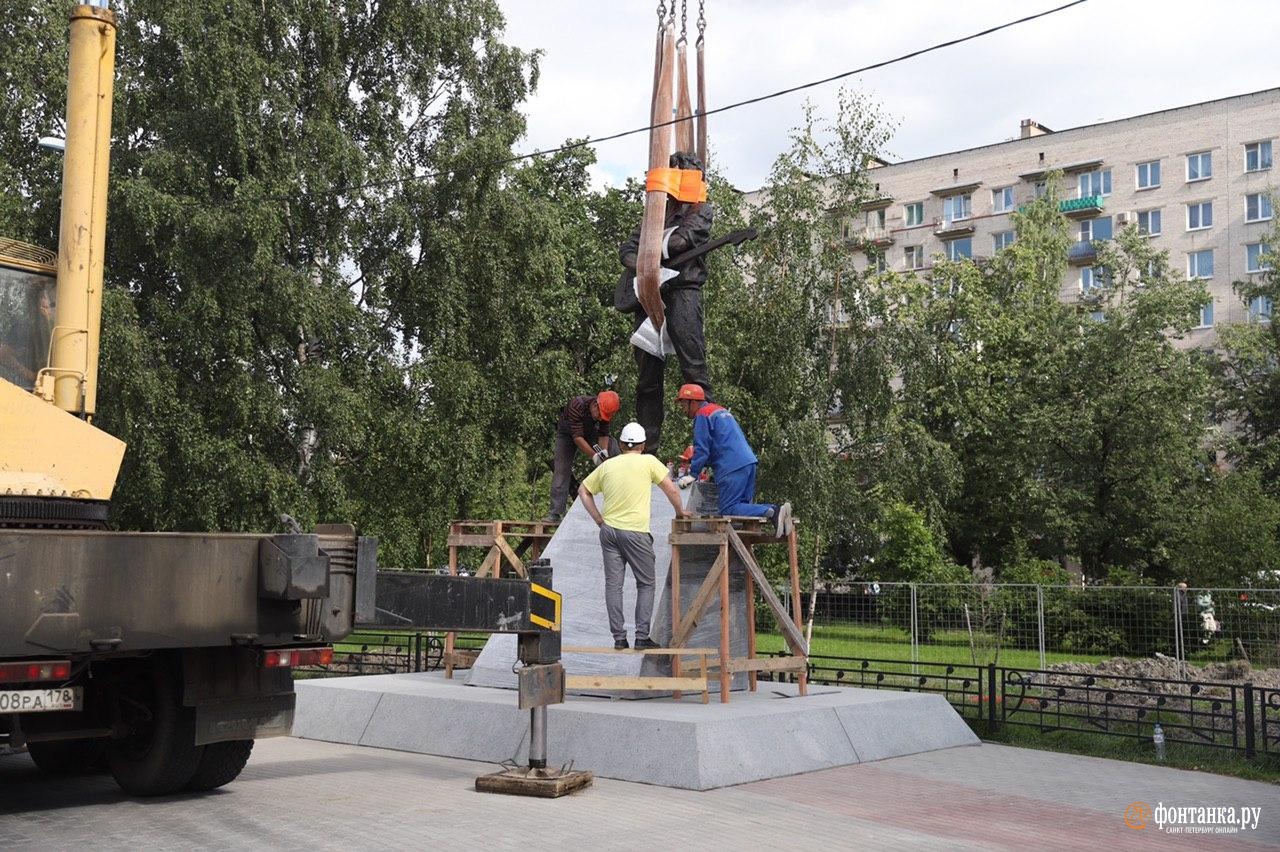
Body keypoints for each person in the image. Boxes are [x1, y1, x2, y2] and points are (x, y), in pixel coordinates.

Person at [619, 150, 714, 452]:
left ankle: (711, 443)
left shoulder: (701, 209)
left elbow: (681, 242)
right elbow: (627, 249)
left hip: (682, 289)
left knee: (694, 369)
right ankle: (647, 451)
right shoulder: (656, 213)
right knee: (647, 378)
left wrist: (648, 253)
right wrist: (643, 264)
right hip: (649, 291)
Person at [577, 421, 688, 650]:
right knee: (646, 584)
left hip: (609, 532)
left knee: (613, 586)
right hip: (636, 533)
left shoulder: (608, 466)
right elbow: (672, 489)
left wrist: (599, 519)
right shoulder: (648, 462)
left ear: (619, 444)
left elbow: (583, 491)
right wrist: (680, 512)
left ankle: (619, 638)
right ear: (643, 445)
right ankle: (641, 637)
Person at [674, 383, 792, 538]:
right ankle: (777, 511)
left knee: (728, 509)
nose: (683, 409)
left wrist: (693, 474)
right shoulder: (718, 410)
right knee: (743, 509)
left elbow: (702, 448)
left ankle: (772, 511)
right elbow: (721, 443)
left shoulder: (702, 415)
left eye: (684, 405)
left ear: (693, 403)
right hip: (748, 462)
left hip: (731, 467)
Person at [546, 390, 621, 523]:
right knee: (562, 470)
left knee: (613, 446)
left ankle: (618, 496)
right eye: (599, 415)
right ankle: (555, 513)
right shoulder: (576, 405)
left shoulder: (605, 412)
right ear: (595, 405)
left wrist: (603, 453)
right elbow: (577, 438)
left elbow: (603, 434)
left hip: (588, 432)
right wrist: (595, 456)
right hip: (568, 435)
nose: (600, 419)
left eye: (603, 418)